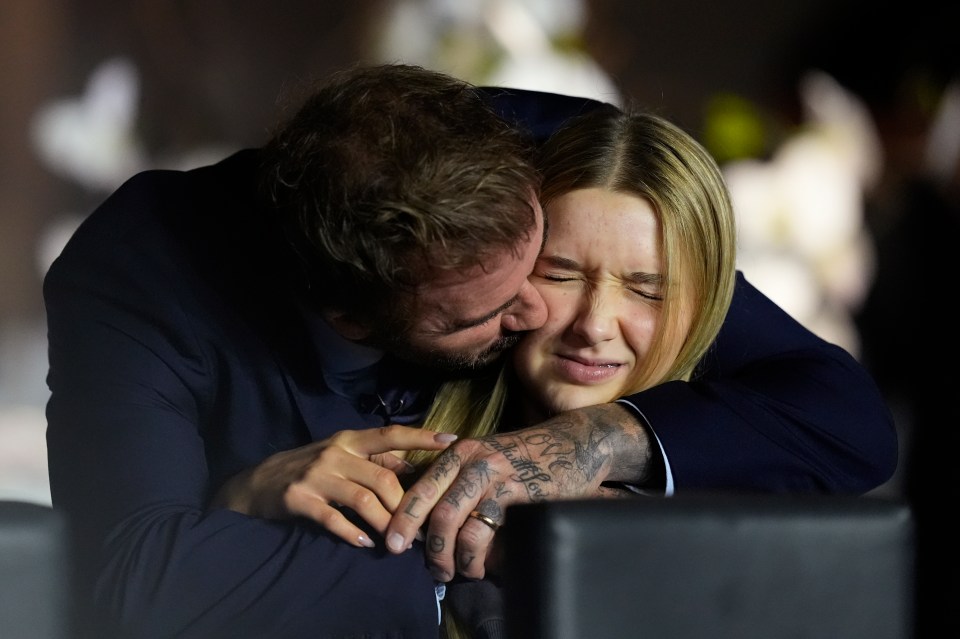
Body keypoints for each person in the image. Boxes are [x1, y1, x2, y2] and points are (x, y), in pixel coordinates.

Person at [43, 63, 895, 639]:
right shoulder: (144, 265)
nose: (542, 311)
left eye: (542, 259)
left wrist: (582, 446)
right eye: (478, 314)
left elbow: (838, 411)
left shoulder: (558, 153)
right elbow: (128, 582)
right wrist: (479, 542)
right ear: (353, 313)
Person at [405, 103, 738, 639]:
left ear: (706, 304)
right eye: (559, 275)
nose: (594, 326)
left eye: (647, 290)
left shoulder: (754, 507)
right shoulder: (389, 437)